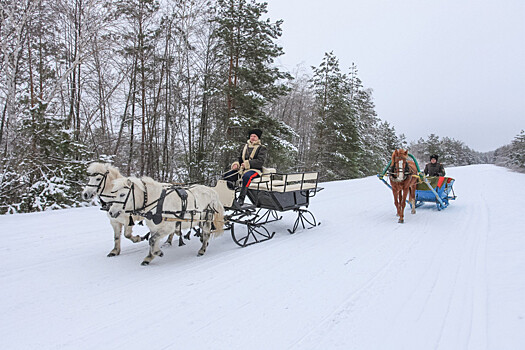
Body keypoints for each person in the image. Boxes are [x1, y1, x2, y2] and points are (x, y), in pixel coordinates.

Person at [224, 128, 267, 208]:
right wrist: (236, 164)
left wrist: (247, 164)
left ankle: (241, 198)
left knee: (247, 176)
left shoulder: (261, 148)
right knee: (227, 176)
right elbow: (240, 159)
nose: (252, 138)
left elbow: (260, 162)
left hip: (255, 170)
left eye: (255, 136)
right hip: (242, 169)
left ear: (258, 138)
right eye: (251, 136)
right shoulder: (245, 147)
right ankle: (232, 198)